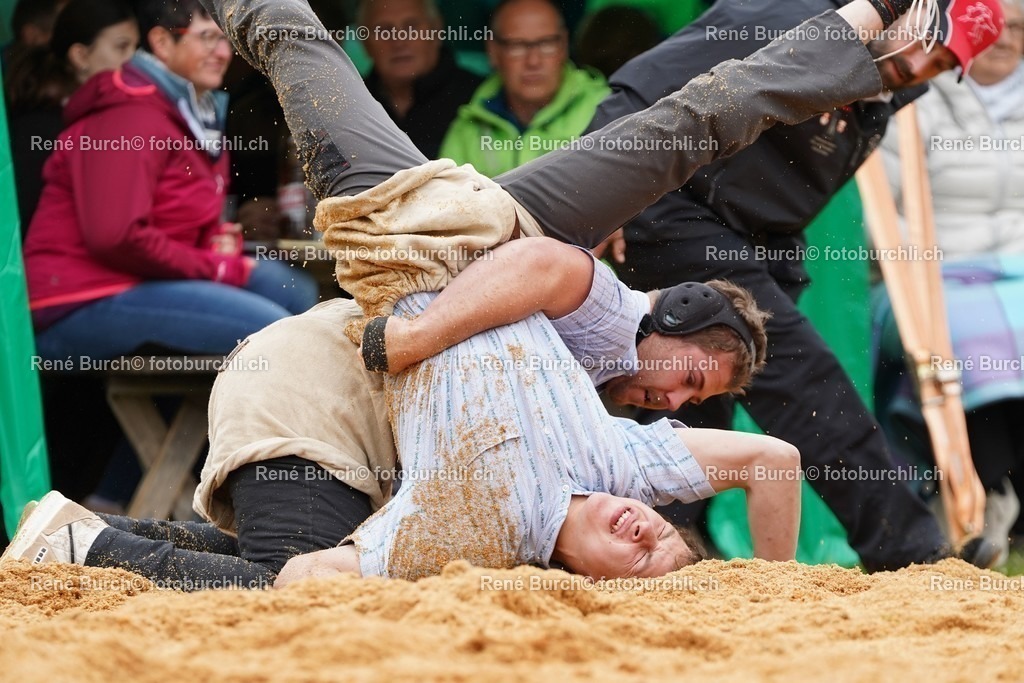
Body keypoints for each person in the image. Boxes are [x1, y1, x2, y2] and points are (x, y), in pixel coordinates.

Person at [2, 0, 911, 586]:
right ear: (673, 313)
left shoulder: (478, 525)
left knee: (291, 35)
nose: (650, 534)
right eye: (687, 379)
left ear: (583, 580)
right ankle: (872, 23)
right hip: (505, 225)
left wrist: (414, 333)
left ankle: (96, 544)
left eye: (646, 556)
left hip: (400, 228)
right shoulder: (616, 445)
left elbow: (314, 582)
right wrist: (762, 591)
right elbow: (553, 273)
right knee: (691, 124)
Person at [581, 0, 1006, 572]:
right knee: (805, 381)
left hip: (756, 237)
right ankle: (913, 555)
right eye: (929, 39)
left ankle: (662, 551)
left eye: (945, 63)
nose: (925, 65)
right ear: (902, 10)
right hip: (672, 209)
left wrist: (781, 260)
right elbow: (647, 84)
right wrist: (600, 193)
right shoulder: (794, 16)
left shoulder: (886, 87)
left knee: (702, 395)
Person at [21, 0, 318, 362]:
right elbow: (116, 236)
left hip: (143, 282)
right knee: (280, 336)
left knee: (297, 292)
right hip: (78, 300)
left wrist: (213, 240)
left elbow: (175, 217)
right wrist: (215, 266)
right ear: (161, 43)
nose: (222, 53)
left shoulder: (192, 112)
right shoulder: (130, 116)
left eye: (225, 41)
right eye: (207, 38)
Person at [874, 0, 1024, 564]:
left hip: (1018, 272)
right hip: (936, 277)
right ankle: (978, 504)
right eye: (996, 27)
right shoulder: (921, 95)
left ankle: (995, 501)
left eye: (1020, 28)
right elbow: (882, 211)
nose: (1006, 38)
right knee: (977, 340)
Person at [4, 0, 138, 234]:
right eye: (121, 47)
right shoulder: (40, 128)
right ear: (80, 56)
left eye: (136, 48)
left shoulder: (118, 116)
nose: (134, 61)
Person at [438, 0, 609, 177]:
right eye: (517, 45)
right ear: (493, 51)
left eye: (546, 43)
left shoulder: (606, 111)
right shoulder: (468, 127)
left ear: (564, 45)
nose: (533, 61)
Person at [360, 0, 482, 158]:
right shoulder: (350, 104)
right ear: (365, 42)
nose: (399, 41)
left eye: (411, 27)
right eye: (384, 30)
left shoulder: (479, 97)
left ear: (437, 30)